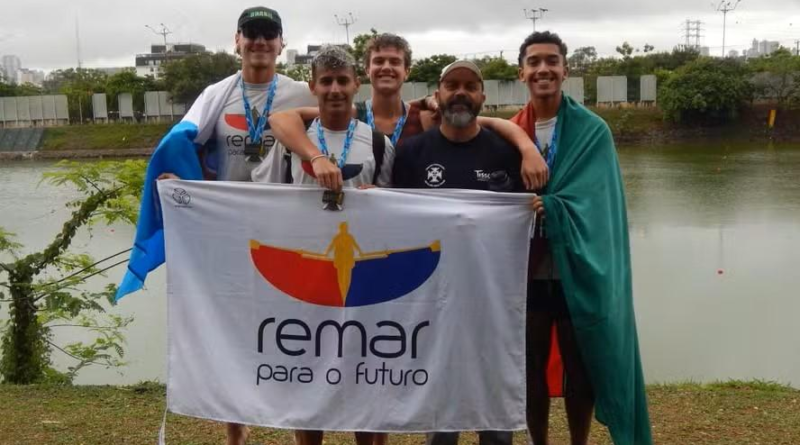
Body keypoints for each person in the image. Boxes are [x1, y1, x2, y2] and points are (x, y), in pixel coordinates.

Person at [116, 7, 335, 445]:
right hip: (229, 235)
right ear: (236, 42)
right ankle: (237, 434)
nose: (259, 42)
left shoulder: (299, 94)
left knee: (300, 332)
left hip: (287, 233)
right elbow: (184, 142)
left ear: (281, 44)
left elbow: (341, 125)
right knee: (233, 335)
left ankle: (305, 437)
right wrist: (178, 180)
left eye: (268, 34)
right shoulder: (215, 94)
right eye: (251, 34)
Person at [512, 31, 653, 445]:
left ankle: (578, 442)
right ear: (522, 72)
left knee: (581, 365)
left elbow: (598, 204)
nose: (543, 69)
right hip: (529, 273)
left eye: (551, 61)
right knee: (530, 365)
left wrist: (553, 207)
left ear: (565, 70)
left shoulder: (593, 131)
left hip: (580, 269)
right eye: (534, 61)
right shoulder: (510, 131)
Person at [251, 45, 392, 445]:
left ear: (356, 85)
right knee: (307, 375)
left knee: (367, 373)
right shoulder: (291, 141)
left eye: (342, 81)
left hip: (361, 281)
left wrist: (379, 196)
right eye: (326, 81)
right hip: (307, 278)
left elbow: (399, 210)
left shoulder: (379, 143)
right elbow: (261, 200)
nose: (334, 89)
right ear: (312, 86)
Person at [391, 60, 520, 445]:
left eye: (469, 86)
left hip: (493, 301)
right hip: (434, 300)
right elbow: (396, 222)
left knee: (495, 410)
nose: (460, 92)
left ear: (483, 97)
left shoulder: (506, 152)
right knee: (442, 415)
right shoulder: (412, 153)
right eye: (452, 85)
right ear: (438, 95)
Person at [267, 33, 549, 192]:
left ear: (407, 71)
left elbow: (485, 121)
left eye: (395, 61)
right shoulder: (349, 113)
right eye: (379, 61)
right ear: (366, 73)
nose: (386, 67)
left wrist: (528, 148)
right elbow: (281, 119)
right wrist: (315, 156)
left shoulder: (426, 117)